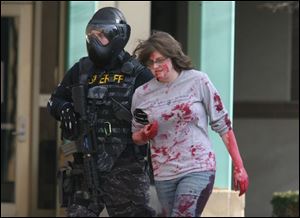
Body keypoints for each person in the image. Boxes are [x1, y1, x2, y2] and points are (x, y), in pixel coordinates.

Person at [47, 7, 156, 217]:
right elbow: (55, 100)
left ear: (118, 35)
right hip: (85, 166)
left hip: (125, 170)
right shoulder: (81, 70)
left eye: (101, 35)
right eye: (91, 35)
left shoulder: (138, 74)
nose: (94, 41)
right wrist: (64, 108)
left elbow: (160, 110)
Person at [131, 31, 249, 217]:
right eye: (150, 63)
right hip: (164, 173)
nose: (156, 67)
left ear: (173, 56)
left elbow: (223, 125)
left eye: (160, 60)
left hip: (198, 166)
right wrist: (144, 135)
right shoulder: (142, 94)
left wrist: (239, 167)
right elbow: (136, 136)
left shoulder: (197, 80)